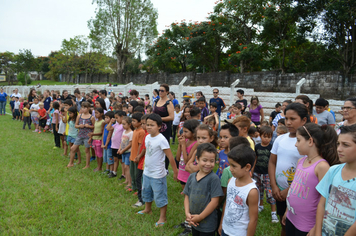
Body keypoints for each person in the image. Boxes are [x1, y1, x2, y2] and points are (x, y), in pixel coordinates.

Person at [281, 123, 339, 236]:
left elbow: (326, 201)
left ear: (310, 141)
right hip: (291, 218)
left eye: (298, 140)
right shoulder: (301, 161)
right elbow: (293, 188)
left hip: (307, 225)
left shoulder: (322, 167)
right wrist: (287, 211)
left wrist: (315, 228)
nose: (296, 144)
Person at [268, 103, 309, 236]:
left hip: (298, 193)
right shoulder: (280, 139)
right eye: (286, 118)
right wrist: (274, 186)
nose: (288, 122)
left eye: (293, 119)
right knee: (284, 224)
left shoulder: (307, 142)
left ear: (303, 120)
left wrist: (289, 190)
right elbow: (272, 162)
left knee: (296, 226)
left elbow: (307, 170)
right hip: (279, 192)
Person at [136, 113, 178, 227]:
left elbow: (170, 157)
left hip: (158, 174)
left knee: (160, 196)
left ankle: (162, 217)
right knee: (147, 192)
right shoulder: (147, 136)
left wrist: (175, 172)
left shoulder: (161, 139)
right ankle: (147, 209)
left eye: (152, 125)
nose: (149, 127)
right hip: (147, 172)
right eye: (147, 125)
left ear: (159, 126)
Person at [315, 125, 356, 236]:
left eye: (345, 145)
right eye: (338, 144)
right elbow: (322, 204)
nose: (339, 149)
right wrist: (318, 232)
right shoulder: (333, 170)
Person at [183, 143, 224, 236]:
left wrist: (200, 217)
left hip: (207, 224)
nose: (208, 164)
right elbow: (187, 196)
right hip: (194, 220)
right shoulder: (192, 176)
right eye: (204, 160)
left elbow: (215, 202)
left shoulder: (214, 179)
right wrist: (187, 213)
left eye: (212, 161)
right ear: (197, 159)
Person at [219, 144, 259, 236]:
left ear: (247, 167)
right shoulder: (230, 181)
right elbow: (227, 203)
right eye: (230, 165)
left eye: (234, 166)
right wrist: (221, 223)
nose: (230, 169)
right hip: (225, 230)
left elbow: (253, 219)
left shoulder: (251, 191)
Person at [253, 126, 278, 223]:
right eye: (265, 136)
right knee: (259, 190)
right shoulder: (257, 146)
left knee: (269, 192)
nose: (267, 139)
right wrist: (252, 169)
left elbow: (273, 161)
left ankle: (273, 212)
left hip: (267, 174)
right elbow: (255, 158)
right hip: (257, 172)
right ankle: (261, 205)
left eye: (269, 137)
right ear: (260, 136)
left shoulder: (272, 147)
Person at [153, 84, 174, 171]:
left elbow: (171, 117)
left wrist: (159, 119)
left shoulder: (169, 103)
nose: (160, 92)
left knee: (164, 147)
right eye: (159, 90)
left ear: (167, 92)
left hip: (165, 128)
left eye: (162, 91)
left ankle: (165, 168)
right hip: (156, 127)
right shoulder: (156, 100)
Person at [68, 102, 95, 169]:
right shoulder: (79, 116)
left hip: (87, 135)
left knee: (87, 150)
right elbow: (76, 125)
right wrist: (80, 126)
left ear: (88, 108)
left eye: (85, 107)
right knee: (73, 148)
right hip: (80, 135)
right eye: (82, 107)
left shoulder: (91, 117)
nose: (83, 109)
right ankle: (70, 163)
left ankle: (87, 165)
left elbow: (94, 127)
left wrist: (89, 126)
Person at [177, 119, 199, 189]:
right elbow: (177, 158)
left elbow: (187, 161)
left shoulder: (196, 143)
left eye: (186, 132)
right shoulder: (185, 140)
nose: (183, 134)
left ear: (194, 132)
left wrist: (183, 146)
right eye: (183, 131)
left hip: (188, 173)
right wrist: (180, 145)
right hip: (182, 170)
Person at [133, 114, 149, 207]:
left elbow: (144, 148)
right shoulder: (145, 133)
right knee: (139, 179)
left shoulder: (147, 135)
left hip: (144, 162)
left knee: (140, 180)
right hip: (142, 161)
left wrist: (139, 156)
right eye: (143, 124)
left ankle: (141, 200)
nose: (143, 126)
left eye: (145, 124)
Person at [129, 112, 146, 192]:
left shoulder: (141, 132)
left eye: (134, 121)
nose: (132, 123)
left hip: (137, 156)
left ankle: (138, 188)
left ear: (139, 122)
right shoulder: (135, 130)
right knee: (132, 173)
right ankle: (133, 186)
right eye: (132, 121)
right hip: (132, 155)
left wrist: (138, 156)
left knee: (137, 174)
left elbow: (140, 145)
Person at [107, 110, 125, 178]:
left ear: (122, 117)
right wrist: (111, 122)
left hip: (119, 146)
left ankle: (123, 174)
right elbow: (109, 128)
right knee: (115, 159)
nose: (116, 119)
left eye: (117, 118)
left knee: (121, 160)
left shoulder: (123, 126)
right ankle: (114, 172)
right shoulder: (116, 124)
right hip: (114, 145)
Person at [118, 116, 133, 190]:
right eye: (122, 124)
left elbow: (130, 144)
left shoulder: (131, 133)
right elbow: (122, 141)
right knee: (124, 166)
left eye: (124, 124)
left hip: (128, 152)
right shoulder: (124, 131)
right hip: (123, 152)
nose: (123, 126)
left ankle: (130, 183)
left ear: (129, 124)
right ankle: (127, 180)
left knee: (127, 167)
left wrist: (123, 150)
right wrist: (119, 149)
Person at [102, 111, 115, 175]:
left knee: (110, 158)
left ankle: (111, 170)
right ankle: (107, 169)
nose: (105, 119)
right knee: (106, 158)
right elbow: (103, 134)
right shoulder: (106, 125)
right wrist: (102, 143)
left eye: (107, 118)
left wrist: (106, 144)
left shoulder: (112, 126)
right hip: (105, 145)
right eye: (105, 117)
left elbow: (109, 136)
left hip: (109, 145)